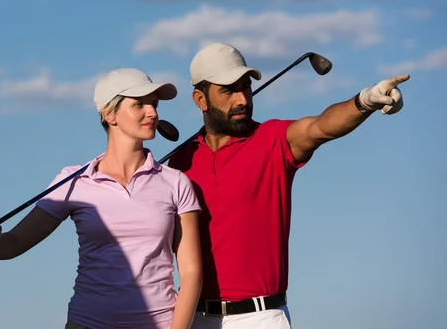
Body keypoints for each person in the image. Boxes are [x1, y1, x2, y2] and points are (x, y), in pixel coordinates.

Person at [167, 43, 410, 329]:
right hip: (193, 317)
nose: (242, 99)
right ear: (200, 99)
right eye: (229, 91)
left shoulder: (273, 140)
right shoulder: (180, 163)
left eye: (245, 87)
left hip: (261, 318)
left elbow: (320, 127)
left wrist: (365, 101)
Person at [0, 67, 203, 329]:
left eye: (154, 104)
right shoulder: (73, 181)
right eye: (139, 104)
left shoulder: (175, 181)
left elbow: (191, 273)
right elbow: (13, 244)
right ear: (109, 114)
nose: (152, 112)